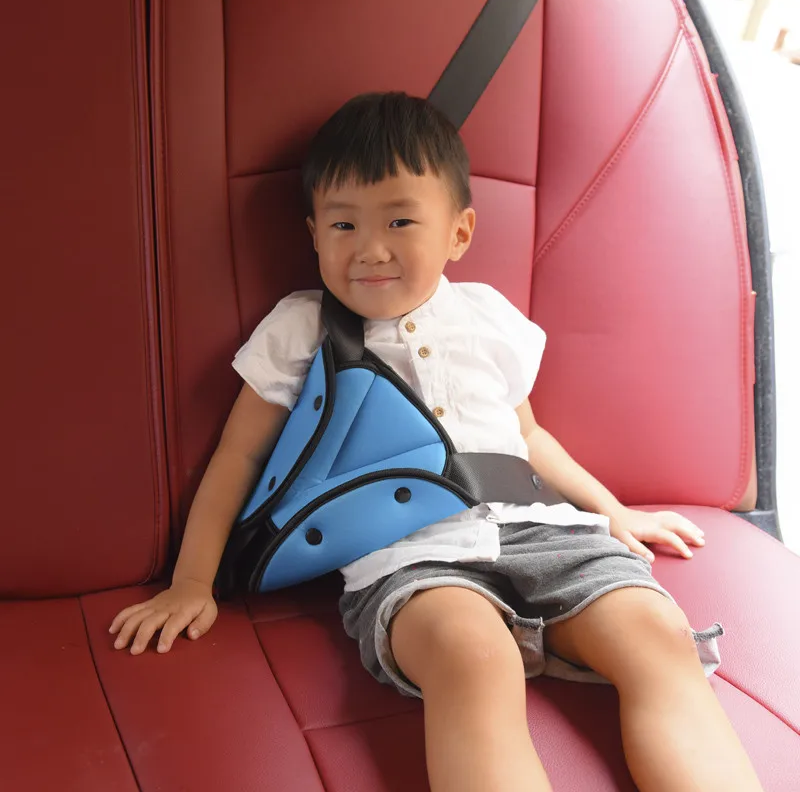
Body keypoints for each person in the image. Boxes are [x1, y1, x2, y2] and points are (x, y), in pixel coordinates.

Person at [110, 92, 763, 792]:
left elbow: (528, 436)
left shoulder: (487, 316)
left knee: (659, 637)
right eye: (343, 224)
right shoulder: (302, 326)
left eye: (399, 220)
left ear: (459, 232)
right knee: (474, 659)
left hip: (547, 533)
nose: (371, 249)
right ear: (313, 234)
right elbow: (238, 456)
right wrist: (192, 581)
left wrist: (613, 511)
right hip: (410, 559)